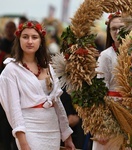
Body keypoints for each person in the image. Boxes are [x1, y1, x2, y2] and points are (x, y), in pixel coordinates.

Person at [0, 20, 75, 150]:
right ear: (19, 40)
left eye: (34, 37)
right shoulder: (11, 70)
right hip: (29, 129)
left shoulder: (49, 68)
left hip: (52, 129)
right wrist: (23, 143)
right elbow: (13, 109)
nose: (30, 41)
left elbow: (57, 104)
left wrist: (67, 136)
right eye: (25, 37)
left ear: (40, 41)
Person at [92, 12, 125, 150]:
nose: (117, 32)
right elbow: (99, 93)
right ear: (109, 31)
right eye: (113, 28)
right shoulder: (106, 55)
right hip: (110, 116)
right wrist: (100, 125)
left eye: (121, 28)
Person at [0, 20, 18, 150]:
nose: (10, 29)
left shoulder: (17, 43)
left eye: (12, 27)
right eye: (8, 27)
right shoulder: (1, 42)